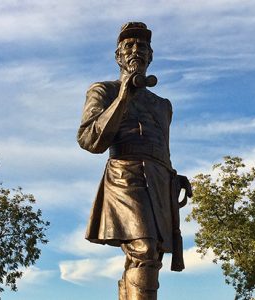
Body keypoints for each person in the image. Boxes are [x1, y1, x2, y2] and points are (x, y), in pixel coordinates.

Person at [77, 22, 191, 300]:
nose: (136, 50)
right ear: (118, 56)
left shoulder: (163, 105)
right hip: (125, 175)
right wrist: (123, 97)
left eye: (142, 46)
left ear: (150, 57)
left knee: (150, 258)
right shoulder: (103, 91)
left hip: (160, 179)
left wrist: (174, 176)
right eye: (129, 46)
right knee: (144, 248)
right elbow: (90, 140)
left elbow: (161, 146)